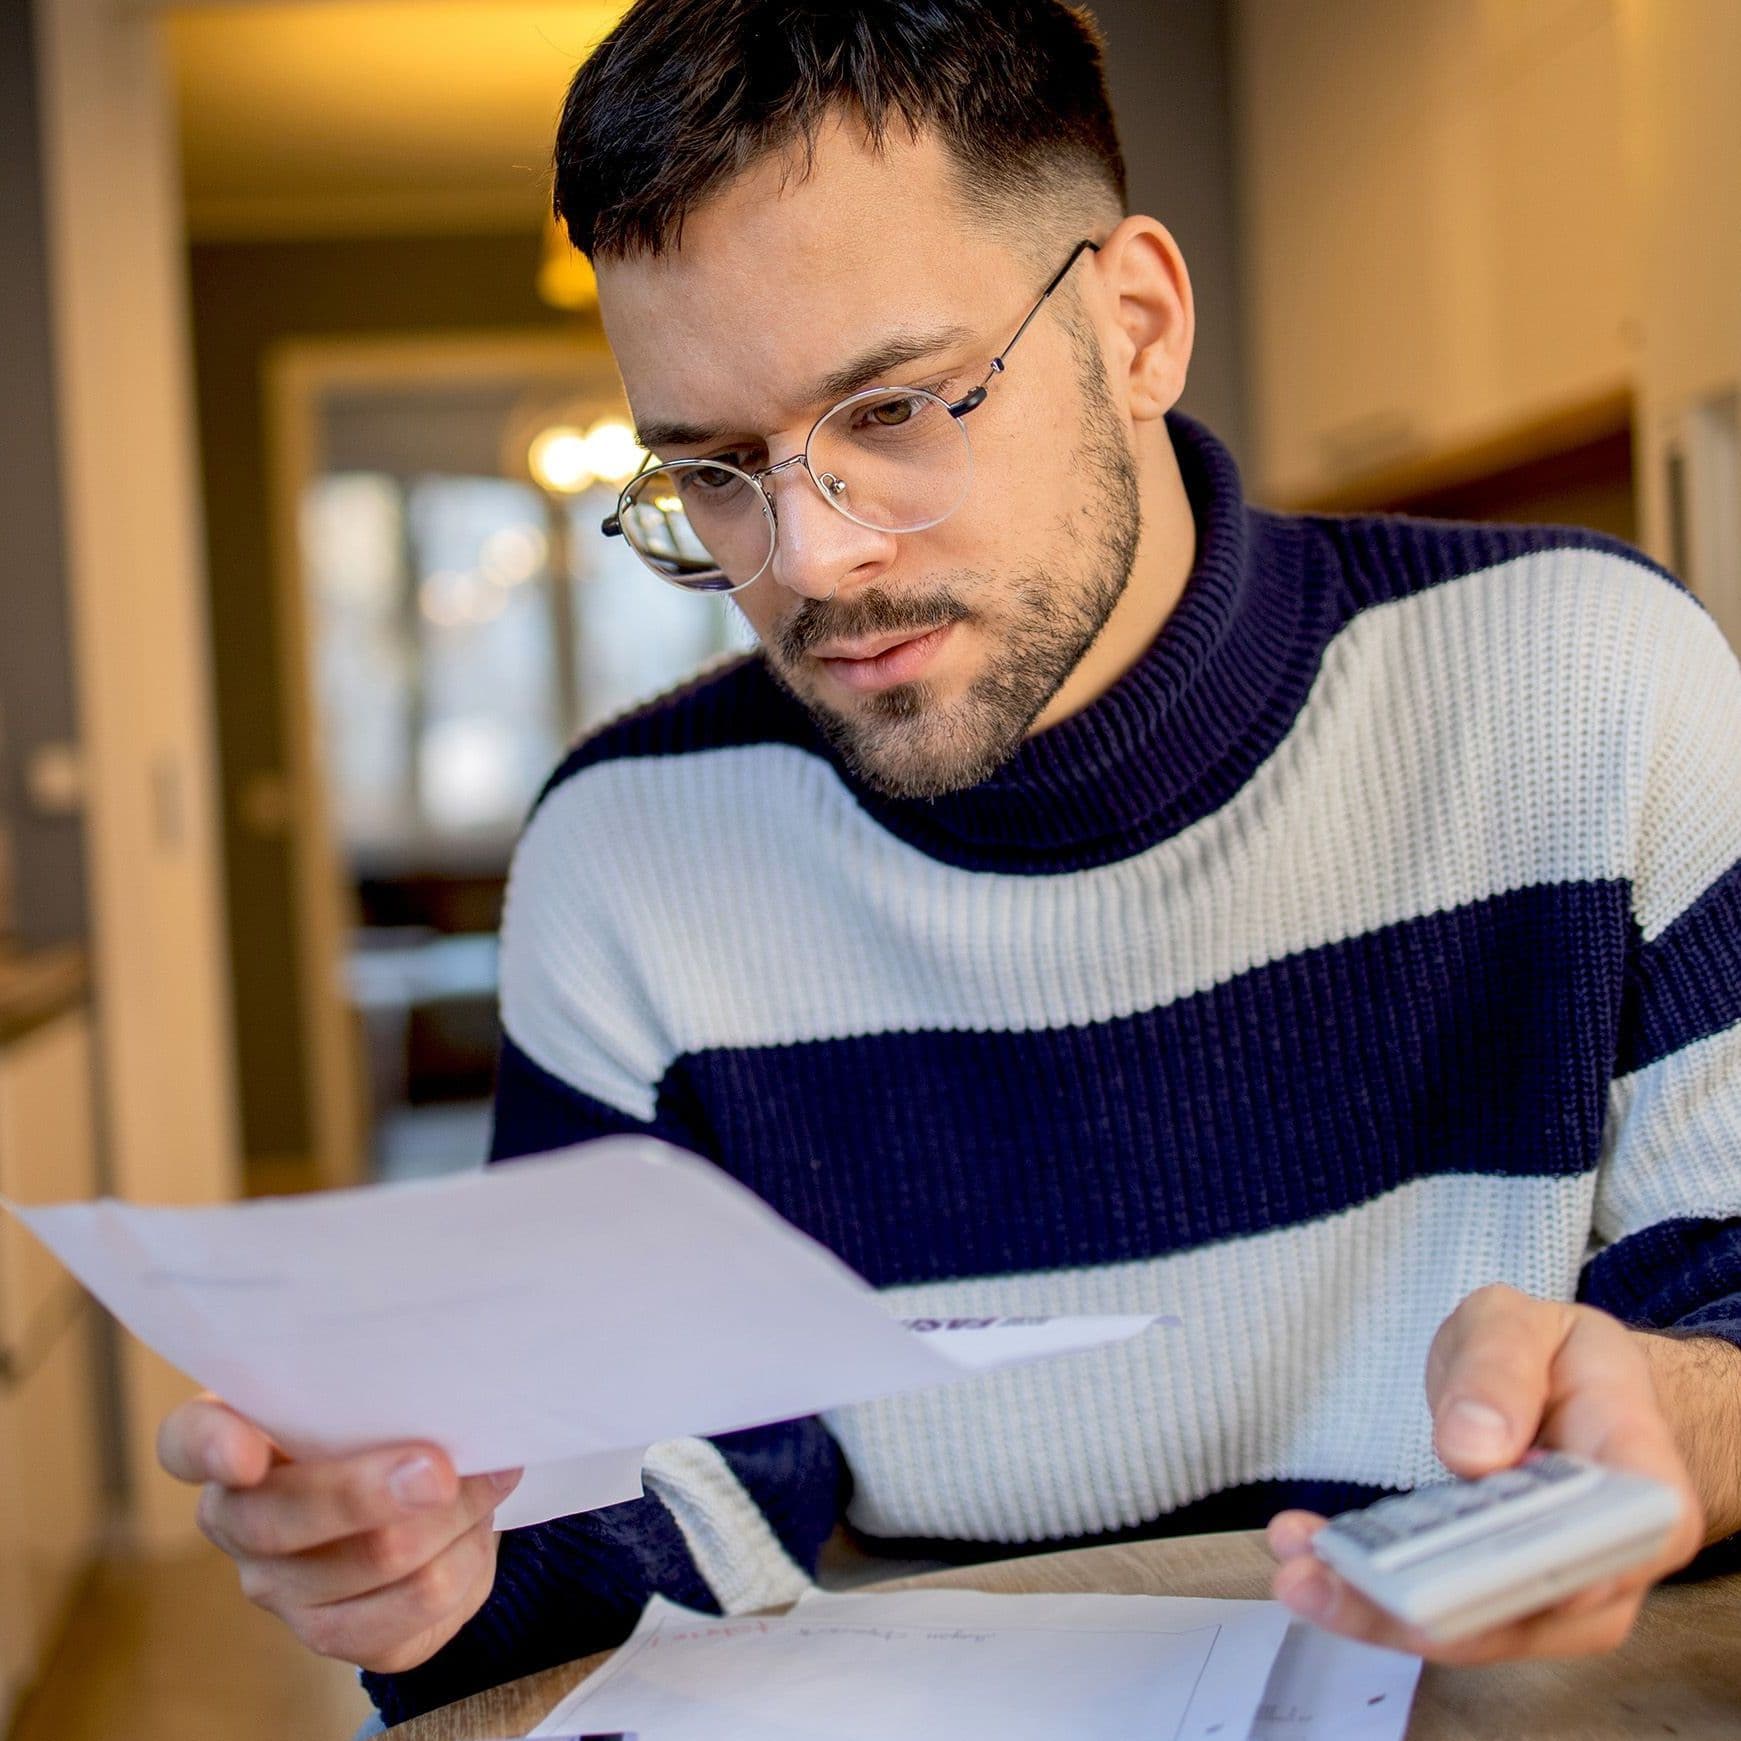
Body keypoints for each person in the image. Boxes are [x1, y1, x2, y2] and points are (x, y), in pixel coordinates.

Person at [158, 1, 1741, 1727]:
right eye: (713, 470)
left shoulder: (1587, 685)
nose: (813, 563)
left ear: (1135, 324)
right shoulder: (632, 850)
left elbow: (1723, 1326)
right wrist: (435, 1566)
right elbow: (661, 1496)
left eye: (893, 406)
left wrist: (1668, 1410)